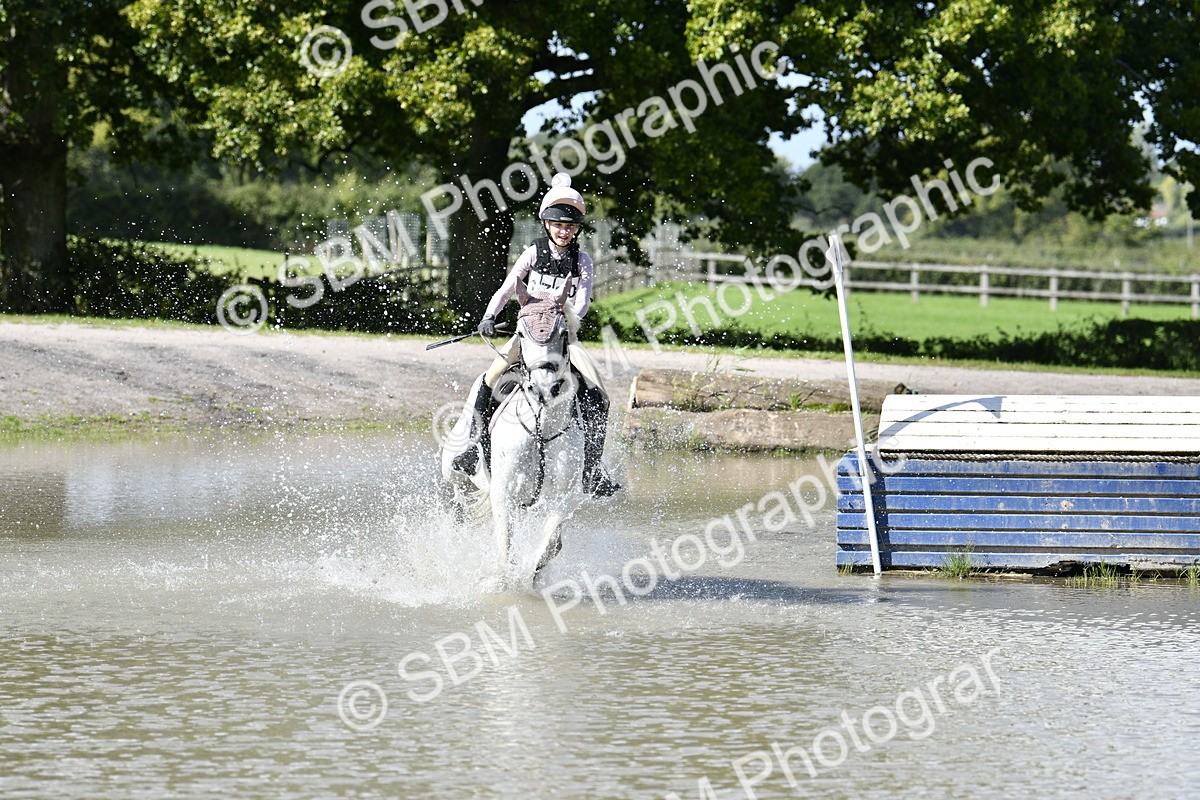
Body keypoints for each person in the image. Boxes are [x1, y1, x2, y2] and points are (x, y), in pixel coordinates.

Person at [450, 173, 620, 498]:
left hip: (563, 339)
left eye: (569, 226)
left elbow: (583, 302)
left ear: (576, 229)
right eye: (558, 225)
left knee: (598, 396)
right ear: (546, 224)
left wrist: (564, 317)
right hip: (527, 336)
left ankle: (593, 470)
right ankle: (473, 449)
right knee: (489, 380)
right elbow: (507, 289)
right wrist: (489, 317)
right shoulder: (532, 253)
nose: (563, 231)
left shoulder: (582, 261)